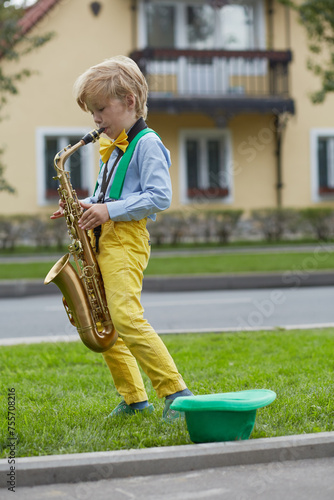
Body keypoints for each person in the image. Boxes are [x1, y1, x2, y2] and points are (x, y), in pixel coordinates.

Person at [51, 55, 192, 422]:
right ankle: (133, 399)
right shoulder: (111, 147)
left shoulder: (146, 143)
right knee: (103, 320)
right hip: (102, 238)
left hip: (127, 240)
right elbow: (110, 196)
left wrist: (109, 211)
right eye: (91, 113)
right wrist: (84, 205)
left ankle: (177, 393)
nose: (95, 120)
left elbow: (160, 196)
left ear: (129, 100)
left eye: (100, 109)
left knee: (126, 317)